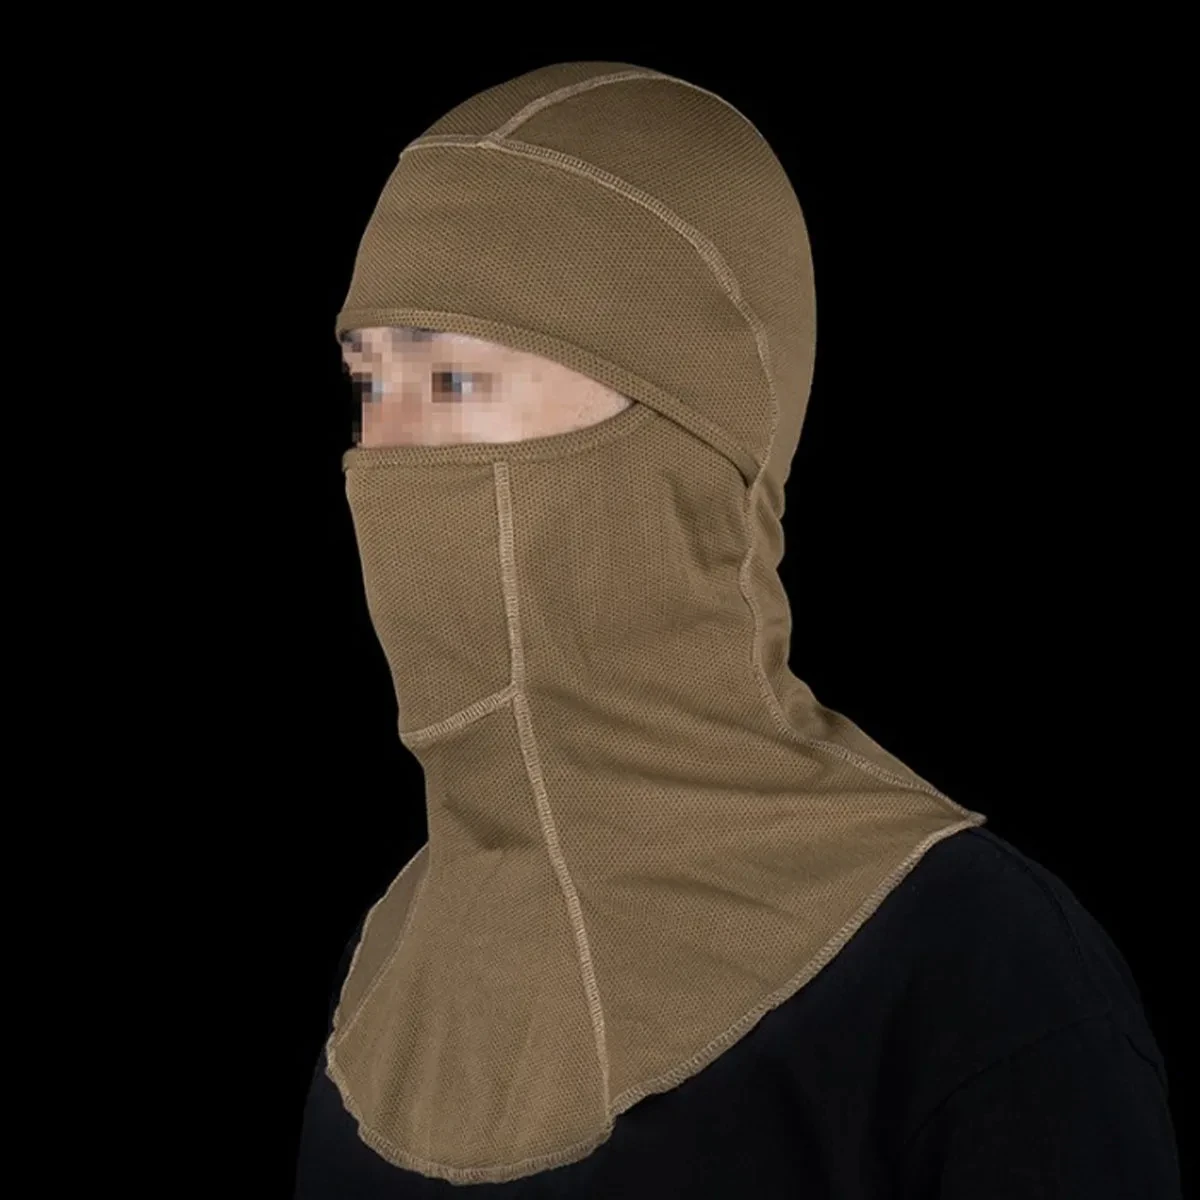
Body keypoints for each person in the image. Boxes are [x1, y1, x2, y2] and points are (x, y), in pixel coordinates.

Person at [293, 61, 1182, 1198]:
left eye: (458, 381)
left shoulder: (976, 972)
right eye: (371, 387)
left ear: (697, 430)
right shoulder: (393, 963)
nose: (390, 457)